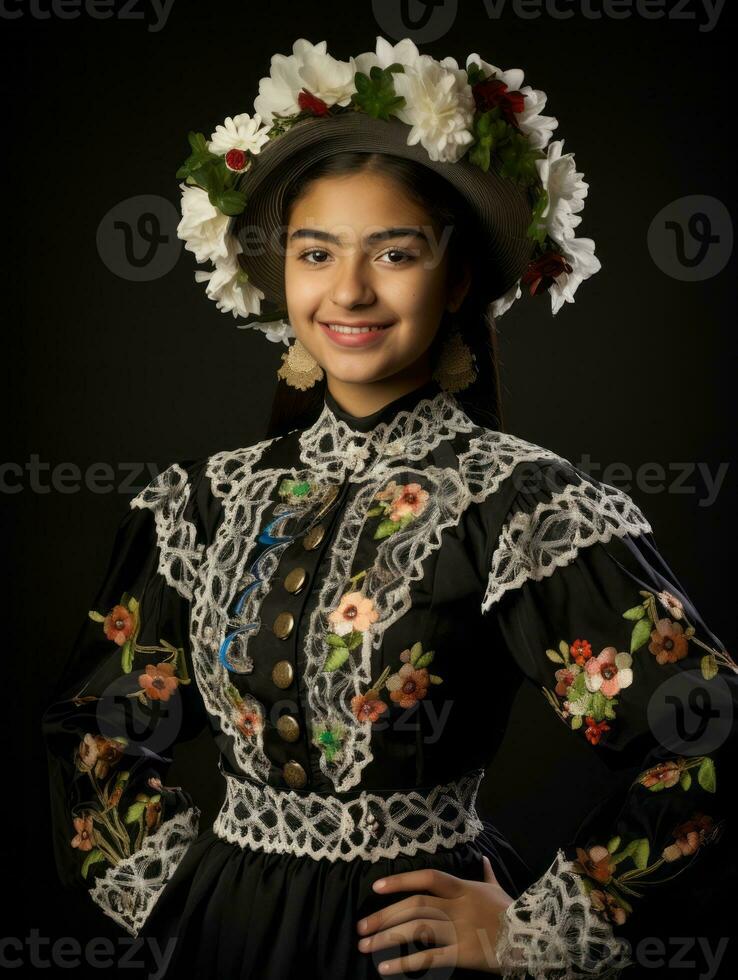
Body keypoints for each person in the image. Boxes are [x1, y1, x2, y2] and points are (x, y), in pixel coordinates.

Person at [42, 36, 736, 979]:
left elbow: (702, 734)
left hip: (410, 952)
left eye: (395, 253)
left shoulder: (521, 501)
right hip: (222, 936)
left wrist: (537, 929)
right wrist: (173, 890)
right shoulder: (201, 500)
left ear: (454, 283)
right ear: (280, 275)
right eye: (316, 252)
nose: (350, 290)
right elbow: (97, 722)